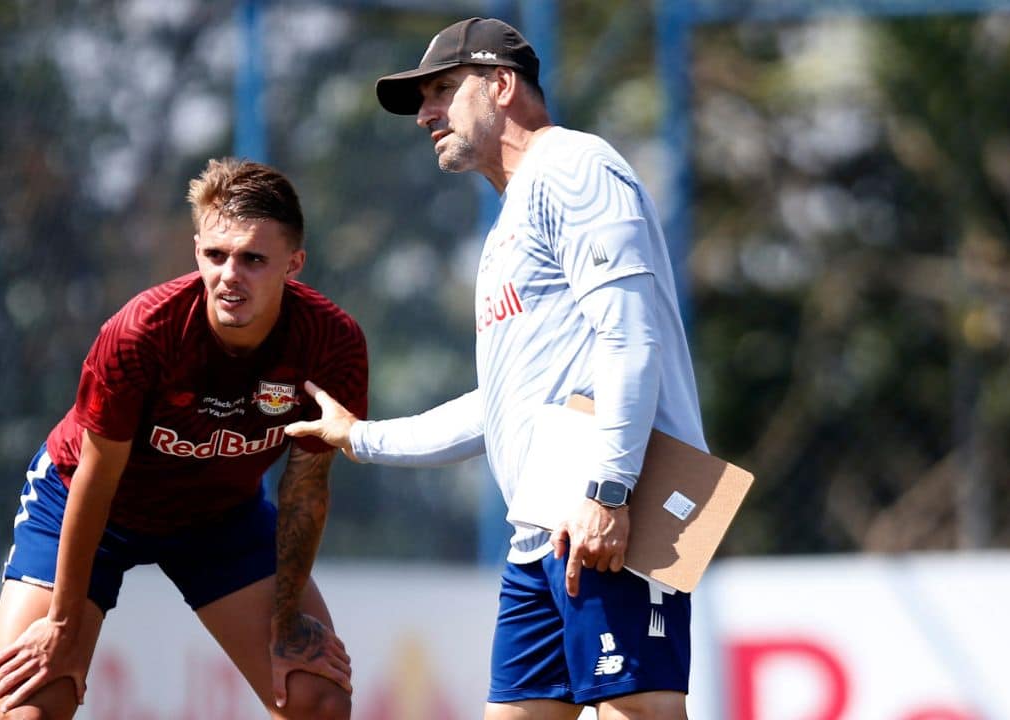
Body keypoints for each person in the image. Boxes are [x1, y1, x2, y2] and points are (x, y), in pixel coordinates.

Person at [286, 17, 705, 720]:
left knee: (642, 715)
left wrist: (609, 491)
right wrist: (360, 437)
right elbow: (505, 403)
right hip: (542, 527)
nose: (425, 114)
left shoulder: (574, 166)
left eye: (443, 90)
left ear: (502, 85)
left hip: (617, 509)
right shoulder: (509, 222)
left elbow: (631, 338)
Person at [0, 158, 367, 719]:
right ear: (197, 252)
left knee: (318, 697)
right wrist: (64, 626)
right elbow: (97, 478)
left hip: (219, 517)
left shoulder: (331, 342)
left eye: (253, 259)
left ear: (295, 264)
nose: (229, 275)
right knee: (34, 703)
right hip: (88, 503)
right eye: (215, 256)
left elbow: (306, 489)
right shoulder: (142, 333)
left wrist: (287, 621)